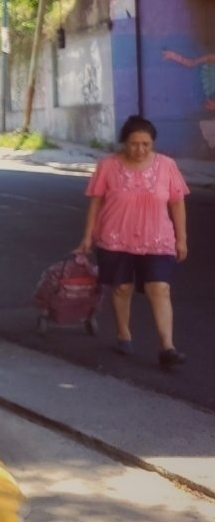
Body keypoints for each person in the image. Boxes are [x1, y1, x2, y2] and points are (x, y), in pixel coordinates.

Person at [76, 114, 189, 369]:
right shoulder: (107, 166)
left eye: (146, 144)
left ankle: (167, 347)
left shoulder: (167, 166)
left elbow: (177, 202)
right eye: (134, 144)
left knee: (159, 288)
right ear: (124, 142)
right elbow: (96, 202)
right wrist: (87, 236)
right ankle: (124, 334)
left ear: (153, 144)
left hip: (157, 239)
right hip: (115, 238)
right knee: (121, 288)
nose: (140, 150)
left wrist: (182, 238)